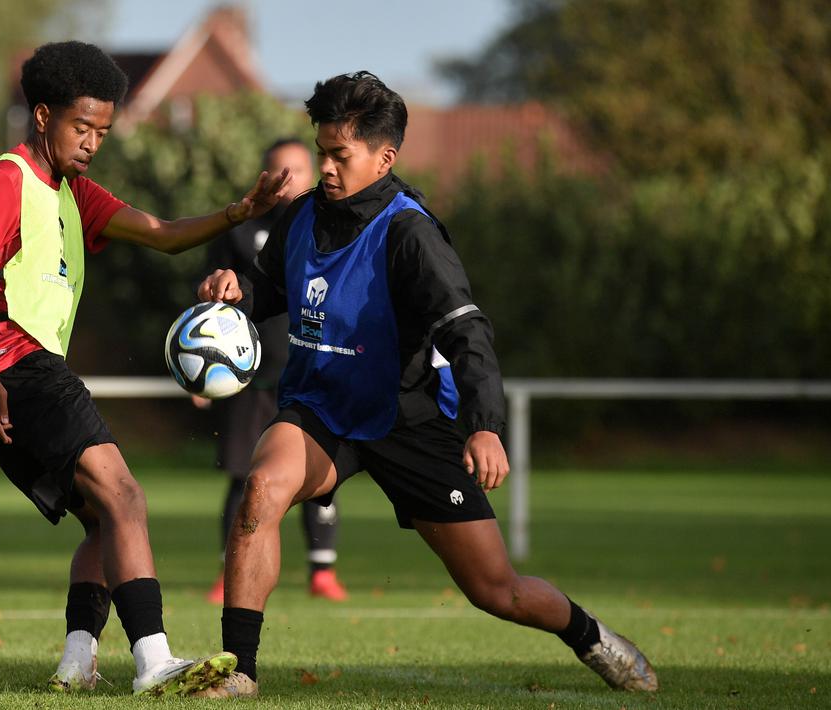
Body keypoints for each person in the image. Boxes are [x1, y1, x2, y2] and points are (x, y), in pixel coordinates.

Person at [192, 71, 658, 699]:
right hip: (318, 409)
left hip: (406, 418)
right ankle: (238, 671)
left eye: (339, 156)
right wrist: (232, 294)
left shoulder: (411, 233)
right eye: (321, 151)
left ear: (385, 158)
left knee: (498, 590)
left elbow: (467, 332)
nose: (324, 168)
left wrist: (486, 425)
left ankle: (590, 636)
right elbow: (264, 292)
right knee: (260, 492)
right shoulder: (299, 216)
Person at [0, 41, 291, 697]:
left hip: (15, 375)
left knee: (104, 520)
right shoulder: (7, 179)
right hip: (14, 365)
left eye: (102, 130)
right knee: (125, 495)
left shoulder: (72, 191)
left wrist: (240, 213)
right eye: (82, 127)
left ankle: (76, 663)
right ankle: (154, 662)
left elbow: (161, 231)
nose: (93, 141)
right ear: (42, 116)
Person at [193, 138, 347, 604]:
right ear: (265, 175)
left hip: (309, 375)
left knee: (320, 479)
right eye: (280, 171)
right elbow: (208, 296)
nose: (290, 180)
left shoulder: (326, 228)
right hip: (248, 379)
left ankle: (323, 571)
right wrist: (199, 368)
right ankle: (228, 571)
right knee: (244, 477)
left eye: (298, 170)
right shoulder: (240, 231)